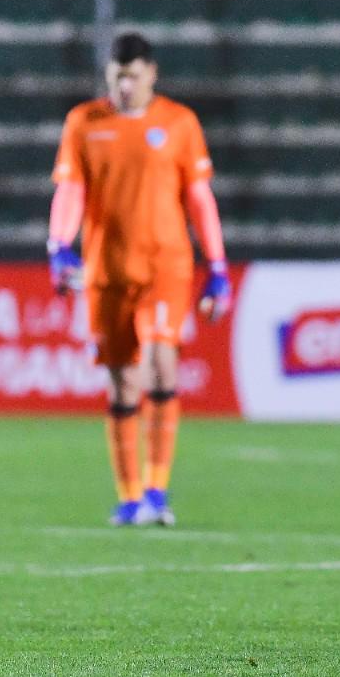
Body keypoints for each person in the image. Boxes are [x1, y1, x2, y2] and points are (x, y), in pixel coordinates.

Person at [46, 32, 232, 527]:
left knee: (162, 367)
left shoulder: (179, 122)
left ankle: (157, 491)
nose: (125, 85)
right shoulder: (85, 122)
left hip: (166, 269)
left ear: (152, 73)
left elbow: (199, 198)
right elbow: (71, 192)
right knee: (124, 384)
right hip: (107, 272)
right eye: (117, 76)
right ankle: (130, 497)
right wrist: (59, 246)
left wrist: (216, 266)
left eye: (133, 75)